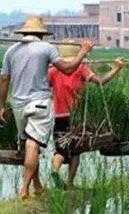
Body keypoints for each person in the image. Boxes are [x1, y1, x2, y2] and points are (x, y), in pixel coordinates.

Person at [0, 16, 94, 200]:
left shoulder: (10, 51)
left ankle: (37, 186)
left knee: (30, 146)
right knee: (33, 145)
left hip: (18, 104)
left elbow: (4, 80)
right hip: (40, 104)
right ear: (41, 35)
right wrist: (83, 51)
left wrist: (1, 106)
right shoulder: (47, 48)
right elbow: (67, 68)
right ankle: (24, 189)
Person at [48, 43, 125, 188]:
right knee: (77, 150)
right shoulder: (81, 68)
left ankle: (55, 170)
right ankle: (70, 183)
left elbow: (42, 86)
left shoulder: (53, 71)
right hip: (77, 117)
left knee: (60, 149)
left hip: (59, 116)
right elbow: (101, 82)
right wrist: (116, 68)